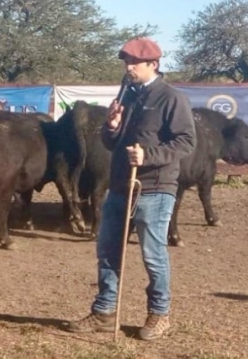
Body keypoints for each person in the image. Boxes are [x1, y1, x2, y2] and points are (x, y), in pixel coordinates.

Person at [64, 37, 196, 340]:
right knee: (108, 251)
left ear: (153, 65)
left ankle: (159, 314)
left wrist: (149, 156)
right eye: (126, 62)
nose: (129, 67)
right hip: (121, 187)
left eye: (134, 62)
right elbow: (113, 144)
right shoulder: (128, 96)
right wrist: (111, 127)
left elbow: (186, 141)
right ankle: (105, 313)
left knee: (152, 255)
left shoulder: (171, 98)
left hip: (155, 188)